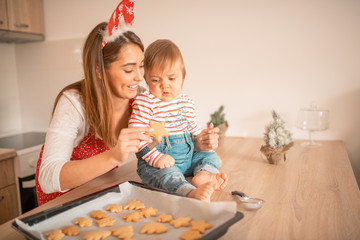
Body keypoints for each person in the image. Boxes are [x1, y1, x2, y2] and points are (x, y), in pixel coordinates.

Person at [35, 0, 153, 205]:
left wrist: (195, 142)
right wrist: (114, 157)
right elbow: (47, 178)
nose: (139, 77)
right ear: (99, 71)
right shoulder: (74, 102)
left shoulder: (140, 98)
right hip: (63, 203)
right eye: (128, 69)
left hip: (102, 193)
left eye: (141, 66)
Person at [129, 39, 228, 202]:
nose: (164, 85)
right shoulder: (145, 101)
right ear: (146, 80)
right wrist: (156, 158)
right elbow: (136, 138)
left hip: (187, 159)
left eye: (171, 78)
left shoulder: (186, 102)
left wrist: (205, 141)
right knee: (167, 175)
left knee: (211, 156)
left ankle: (204, 174)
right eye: (155, 80)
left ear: (182, 77)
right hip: (156, 162)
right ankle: (189, 192)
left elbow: (194, 135)